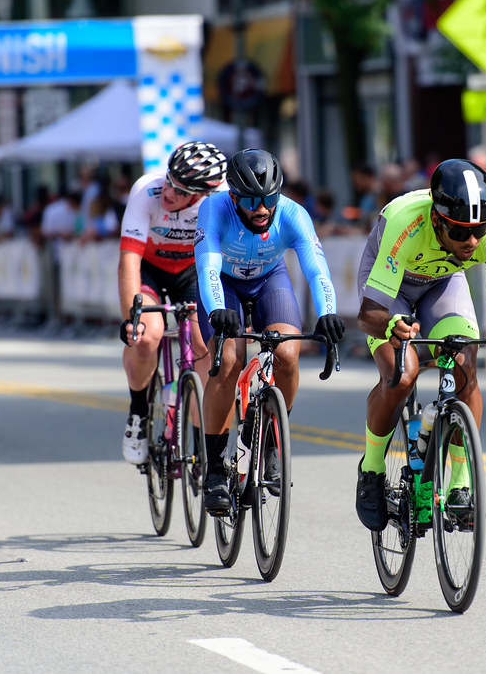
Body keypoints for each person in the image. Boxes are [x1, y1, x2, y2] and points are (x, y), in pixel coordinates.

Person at [353, 158, 486, 531]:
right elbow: (367, 316)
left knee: (465, 363)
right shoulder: (405, 223)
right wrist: (393, 325)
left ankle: (460, 482)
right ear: (437, 219)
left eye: (478, 231)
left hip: (443, 284)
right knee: (402, 375)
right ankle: (371, 468)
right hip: (391, 289)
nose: (471, 241)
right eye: (460, 232)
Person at [195, 148, 345, 514]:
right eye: (249, 200)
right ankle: (215, 468)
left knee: (287, 355)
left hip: (268, 280)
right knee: (228, 359)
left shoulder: (294, 214)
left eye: (269, 199)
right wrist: (217, 311)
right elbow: (209, 269)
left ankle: (274, 441)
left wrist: (328, 314)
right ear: (233, 196)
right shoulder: (214, 209)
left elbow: (316, 270)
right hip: (224, 285)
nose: (261, 209)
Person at [117, 141, 228, 465]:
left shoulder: (219, 199)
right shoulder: (145, 191)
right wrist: (131, 318)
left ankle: (202, 438)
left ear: (201, 194)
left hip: (192, 271)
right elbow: (129, 261)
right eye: (170, 181)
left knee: (205, 345)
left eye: (181, 191)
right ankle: (138, 414)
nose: (169, 192)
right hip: (150, 270)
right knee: (147, 335)